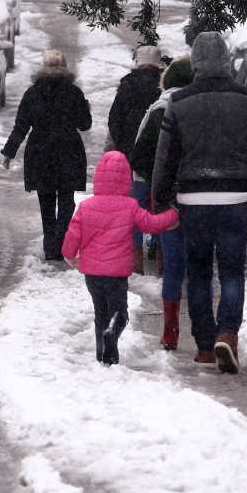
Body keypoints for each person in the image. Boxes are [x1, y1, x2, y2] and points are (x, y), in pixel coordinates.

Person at [151, 32, 247, 374]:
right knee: (233, 271)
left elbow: (166, 156)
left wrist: (160, 196)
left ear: (196, 62)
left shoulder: (179, 102)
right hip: (236, 195)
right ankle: (228, 334)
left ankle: (205, 346)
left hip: (193, 197)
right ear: (227, 60)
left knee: (200, 272)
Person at [62, 151, 179, 365]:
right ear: (126, 178)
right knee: (120, 313)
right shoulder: (130, 206)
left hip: (92, 273)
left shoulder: (86, 207)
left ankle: (103, 355)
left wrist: (70, 256)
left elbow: (72, 235)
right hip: (116, 274)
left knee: (100, 313)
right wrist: (173, 214)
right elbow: (151, 225)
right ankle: (112, 336)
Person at [2, 49, 92, 261]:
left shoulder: (32, 93)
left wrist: (9, 152)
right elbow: (85, 125)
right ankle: (62, 241)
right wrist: (85, 108)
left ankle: (50, 245)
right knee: (67, 200)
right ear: (65, 68)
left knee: (47, 201)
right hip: (69, 151)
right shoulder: (74, 92)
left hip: (40, 153)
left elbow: (21, 126)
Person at [130, 55, 192, 350]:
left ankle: (171, 330)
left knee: (172, 259)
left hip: (165, 193)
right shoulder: (202, 106)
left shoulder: (158, 109)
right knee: (200, 262)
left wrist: (157, 182)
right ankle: (207, 334)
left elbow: (140, 153)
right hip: (200, 193)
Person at [107, 44, 163, 272]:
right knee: (160, 206)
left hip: (133, 159)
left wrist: (123, 146)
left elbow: (114, 120)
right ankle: (161, 259)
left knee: (134, 207)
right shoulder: (163, 87)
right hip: (161, 156)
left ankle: (136, 261)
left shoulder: (127, 86)